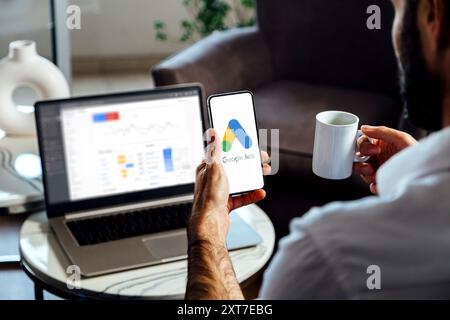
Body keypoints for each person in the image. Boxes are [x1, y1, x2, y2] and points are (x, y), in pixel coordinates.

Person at [185, 0, 450, 299]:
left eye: (397, 11)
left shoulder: (326, 255)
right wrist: (414, 177)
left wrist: (206, 231)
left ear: (433, 15)